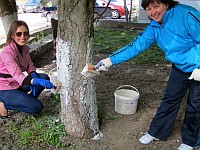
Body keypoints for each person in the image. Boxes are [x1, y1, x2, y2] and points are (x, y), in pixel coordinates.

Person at [94, 0, 200, 149]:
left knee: (196, 103)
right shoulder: (155, 26)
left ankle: (190, 140)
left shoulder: (186, 14)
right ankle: (157, 131)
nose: (153, 12)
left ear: (167, 4)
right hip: (180, 66)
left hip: (198, 66)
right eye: (149, 9)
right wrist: (110, 61)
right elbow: (136, 45)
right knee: (170, 98)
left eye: (156, 6)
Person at [0, 20, 55, 120]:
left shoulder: (24, 48)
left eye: (25, 33)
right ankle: (5, 103)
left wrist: (34, 75)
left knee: (44, 77)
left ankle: (26, 101)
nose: (23, 37)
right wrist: (35, 81)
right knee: (37, 107)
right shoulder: (6, 53)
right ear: (12, 35)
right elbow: (17, 75)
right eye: (19, 34)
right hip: (6, 87)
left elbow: (29, 66)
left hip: (18, 84)